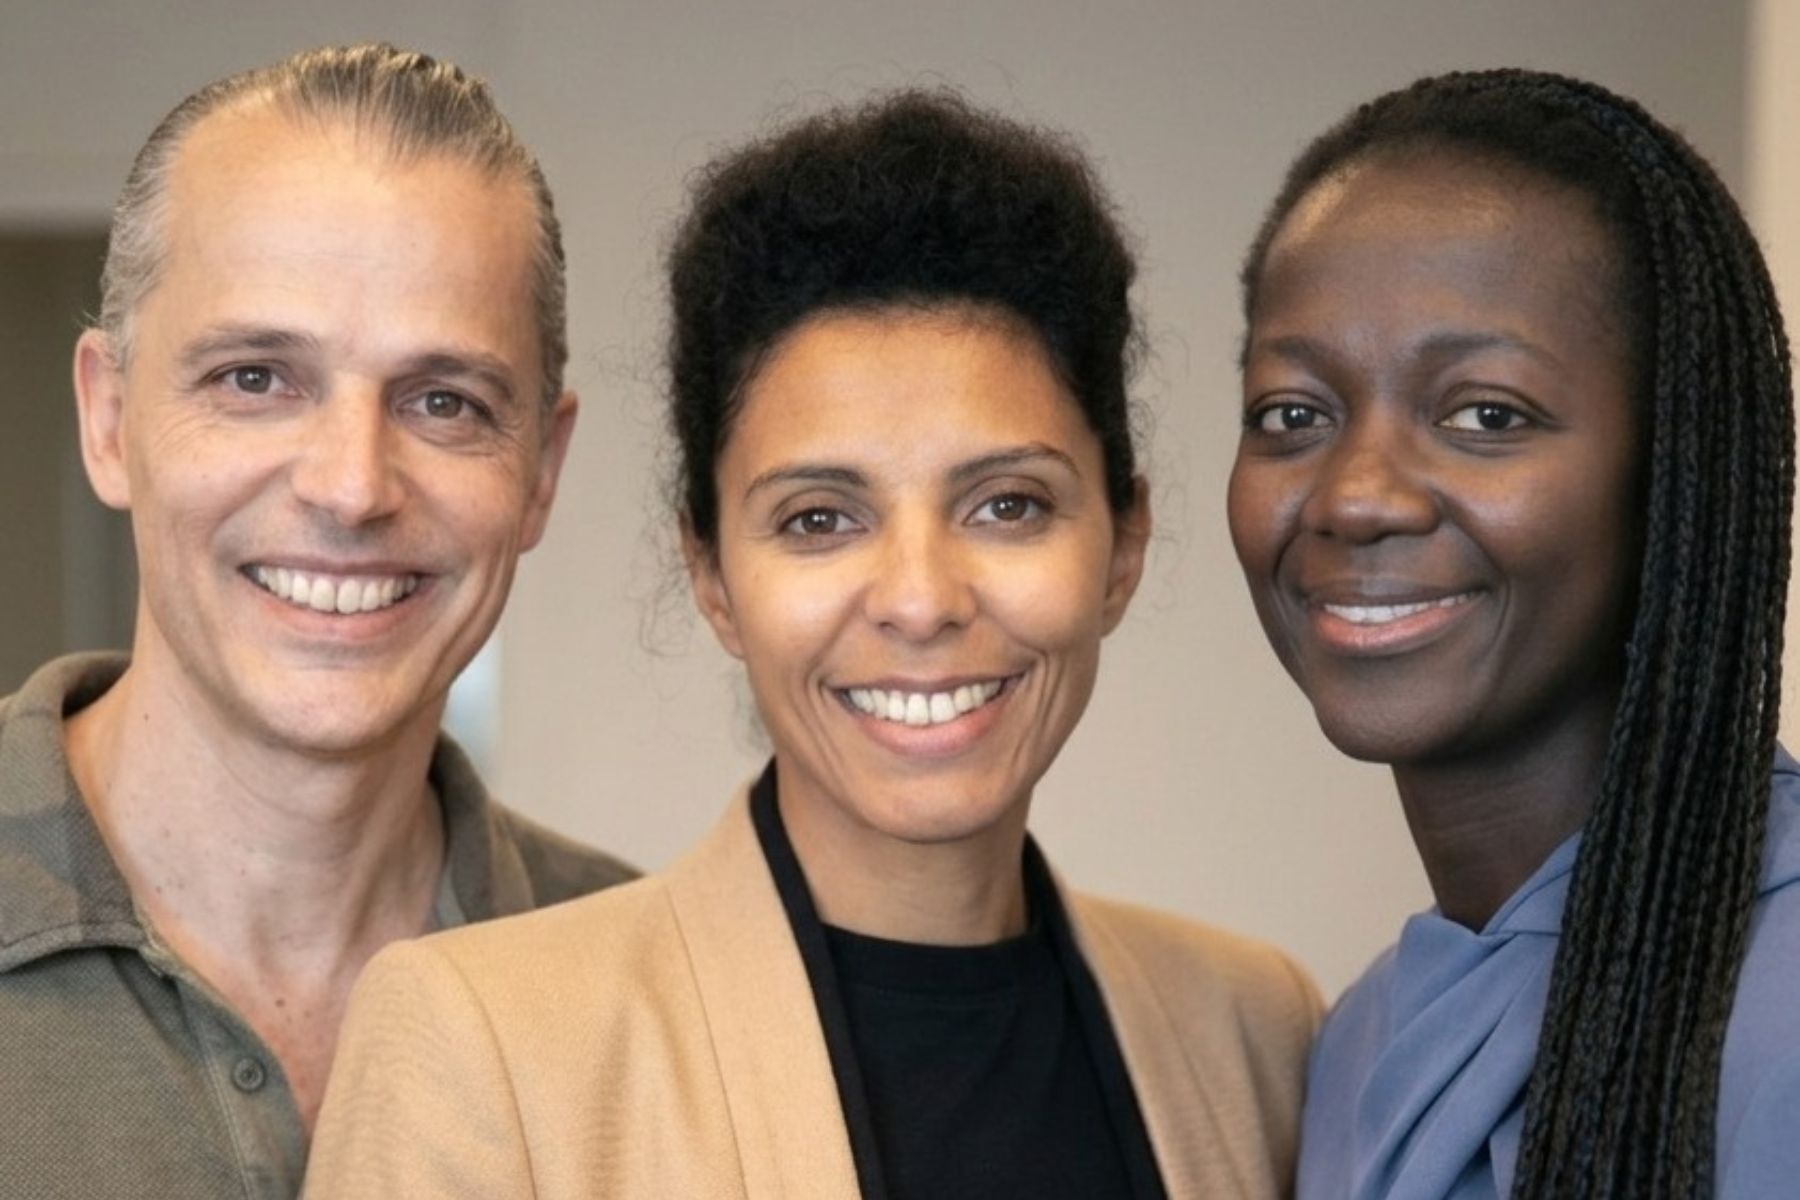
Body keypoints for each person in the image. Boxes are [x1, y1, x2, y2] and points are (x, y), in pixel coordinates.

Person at [306, 90, 1321, 1200]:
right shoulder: (485, 1050)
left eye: (1007, 505)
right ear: (712, 576)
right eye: (820, 520)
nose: (922, 600)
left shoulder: (1259, 1032)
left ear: (1123, 541)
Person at [0, 43, 636, 1199]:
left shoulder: (654, 994)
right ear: (106, 419)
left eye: (445, 402)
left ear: (540, 472)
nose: (352, 486)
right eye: (256, 378)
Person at [1230, 68, 1796, 1200]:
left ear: (1677, 469)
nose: (1356, 496)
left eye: (1486, 414)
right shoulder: (1358, 1045)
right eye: (1295, 414)